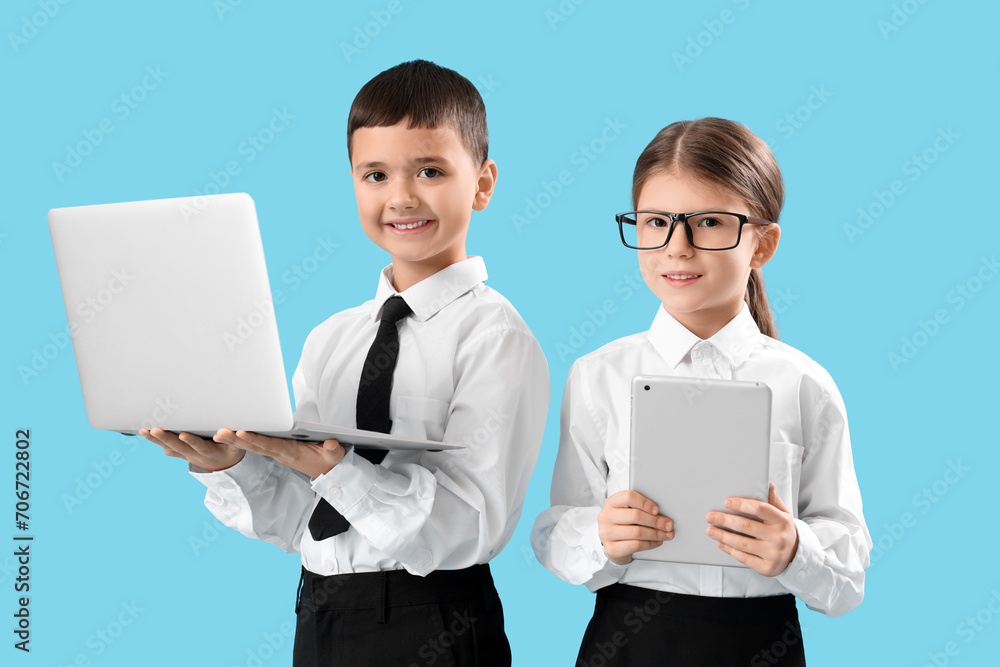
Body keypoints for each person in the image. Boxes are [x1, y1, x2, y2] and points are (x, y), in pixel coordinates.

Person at [140, 60, 549, 666]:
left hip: (433, 617)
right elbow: (304, 521)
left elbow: (471, 527)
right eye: (375, 174)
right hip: (322, 615)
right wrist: (231, 465)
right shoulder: (331, 338)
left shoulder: (494, 336)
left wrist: (340, 474)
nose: (401, 197)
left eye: (430, 171)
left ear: (483, 184)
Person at [531, 117, 871, 666]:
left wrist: (793, 549)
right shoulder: (598, 375)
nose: (677, 247)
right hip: (628, 644)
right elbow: (554, 532)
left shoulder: (804, 384)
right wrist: (601, 535)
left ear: (762, 244)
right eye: (657, 221)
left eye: (710, 222)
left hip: (760, 643)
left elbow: (849, 575)